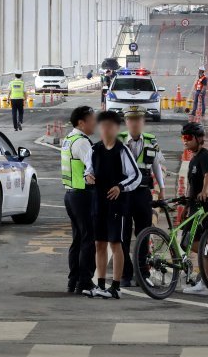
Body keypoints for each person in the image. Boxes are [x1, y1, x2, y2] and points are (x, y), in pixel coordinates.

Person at [85, 110, 142, 299]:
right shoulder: (94, 150)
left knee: (116, 244)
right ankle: (100, 285)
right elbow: (88, 170)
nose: (106, 129)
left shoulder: (122, 150)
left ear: (117, 129)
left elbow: (136, 175)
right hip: (98, 203)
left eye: (110, 126)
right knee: (99, 243)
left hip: (117, 205)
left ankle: (116, 286)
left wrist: (120, 187)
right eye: (103, 125)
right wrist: (88, 177)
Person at [119, 106, 166, 286]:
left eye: (138, 119)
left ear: (143, 122)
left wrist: (161, 188)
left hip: (143, 193)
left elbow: (156, 165)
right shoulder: (119, 140)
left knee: (143, 234)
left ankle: (142, 273)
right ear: (126, 122)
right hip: (123, 194)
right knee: (122, 235)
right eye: (131, 119)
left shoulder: (151, 140)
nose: (135, 123)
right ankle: (125, 273)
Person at [61, 106, 97, 295]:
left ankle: (73, 280)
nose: (95, 123)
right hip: (83, 194)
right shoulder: (82, 143)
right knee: (88, 239)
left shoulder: (68, 139)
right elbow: (92, 169)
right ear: (81, 123)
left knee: (78, 239)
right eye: (92, 119)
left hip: (71, 195)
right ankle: (85, 281)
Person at [181, 121, 208, 295]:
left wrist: (205, 191)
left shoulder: (205, 156)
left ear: (199, 139)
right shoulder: (193, 160)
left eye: (188, 137)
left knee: (199, 241)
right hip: (195, 206)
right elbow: (191, 186)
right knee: (186, 242)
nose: (185, 141)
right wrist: (185, 207)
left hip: (207, 205)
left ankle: (205, 282)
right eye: (183, 137)